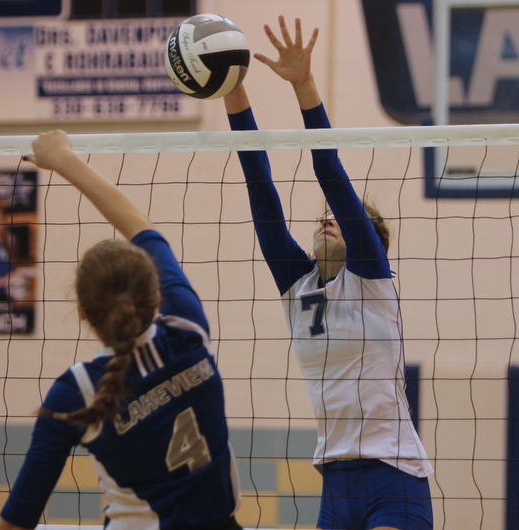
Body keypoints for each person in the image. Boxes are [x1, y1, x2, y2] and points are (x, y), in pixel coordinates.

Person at [223, 16, 433, 530]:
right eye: (323, 216)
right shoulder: (299, 286)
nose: (326, 216)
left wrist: (304, 86)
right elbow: (259, 182)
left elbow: (330, 172)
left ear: (368, 242)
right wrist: (232, 85)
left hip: (394, 476)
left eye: (339, 218)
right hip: (335, 486)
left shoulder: (370, 277)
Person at [0, 131, 242, 530]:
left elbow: (18, 519)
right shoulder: (186, 329)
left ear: (82, 313)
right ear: (158, 295)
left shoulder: (76, 392)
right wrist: (64, 159)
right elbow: (142, 228)